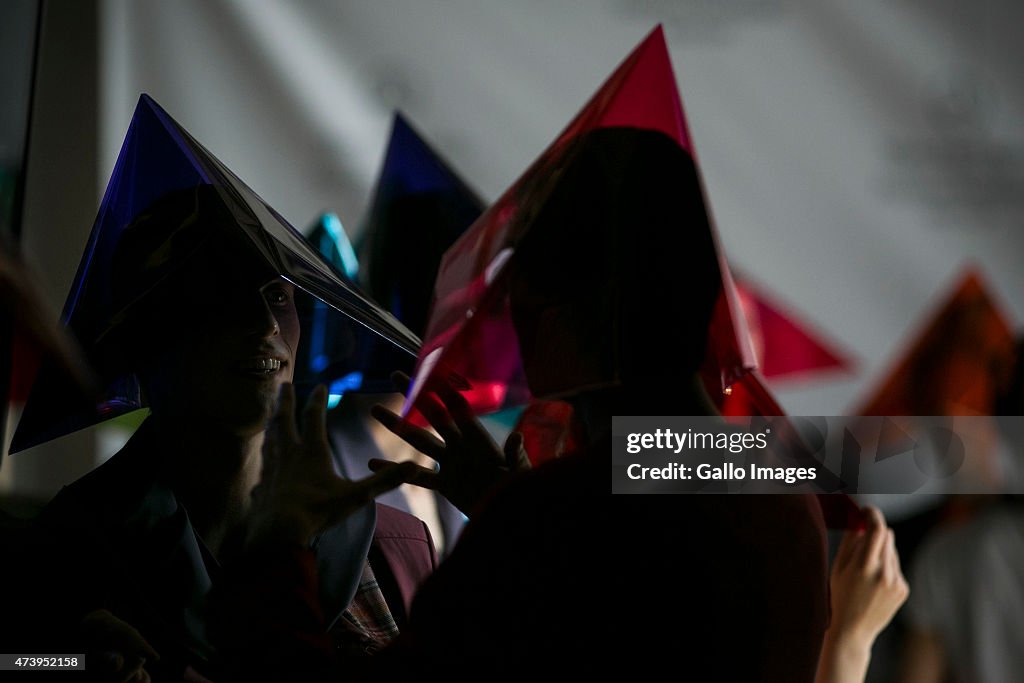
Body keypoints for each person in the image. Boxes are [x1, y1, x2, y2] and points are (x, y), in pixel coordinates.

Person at [17, 184, 433, 682]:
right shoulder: (66, 546)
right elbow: (12, 660)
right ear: (148, 336)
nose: (263, 325)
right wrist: (72, 662)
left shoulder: (394, 544)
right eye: (221, 292)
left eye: (278, 294)